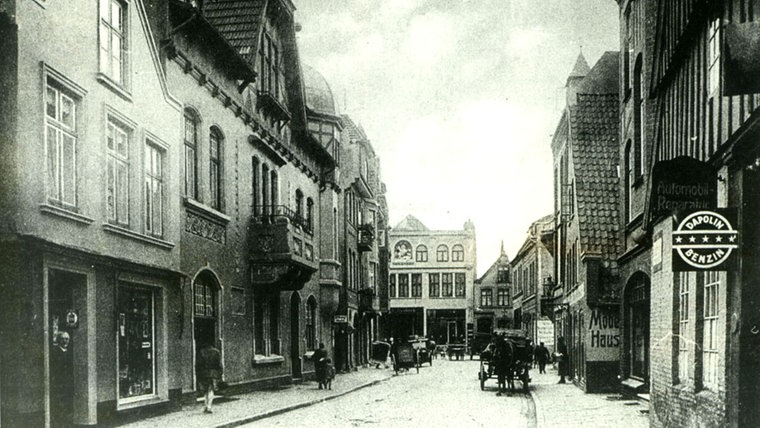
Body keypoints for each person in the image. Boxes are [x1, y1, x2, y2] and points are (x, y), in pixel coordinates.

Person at [50, 331, 73, 428]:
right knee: (59, 407)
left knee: (67, 407)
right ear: (58, 340)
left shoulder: (70, 352)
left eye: (67, 339)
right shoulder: (55, 352)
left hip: (67, 385)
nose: (65, 341)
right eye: (63, 339)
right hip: (59, 385)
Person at [196, 342, 223, 413]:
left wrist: (198, 373)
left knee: (205, 390)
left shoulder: (201, 352)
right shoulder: (216, 352)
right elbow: (219, 364)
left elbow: (198, 364)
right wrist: (220, 373)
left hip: (204, 373)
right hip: (213, 373)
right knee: (211, 390)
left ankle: (205, 406)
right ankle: (209, 406)